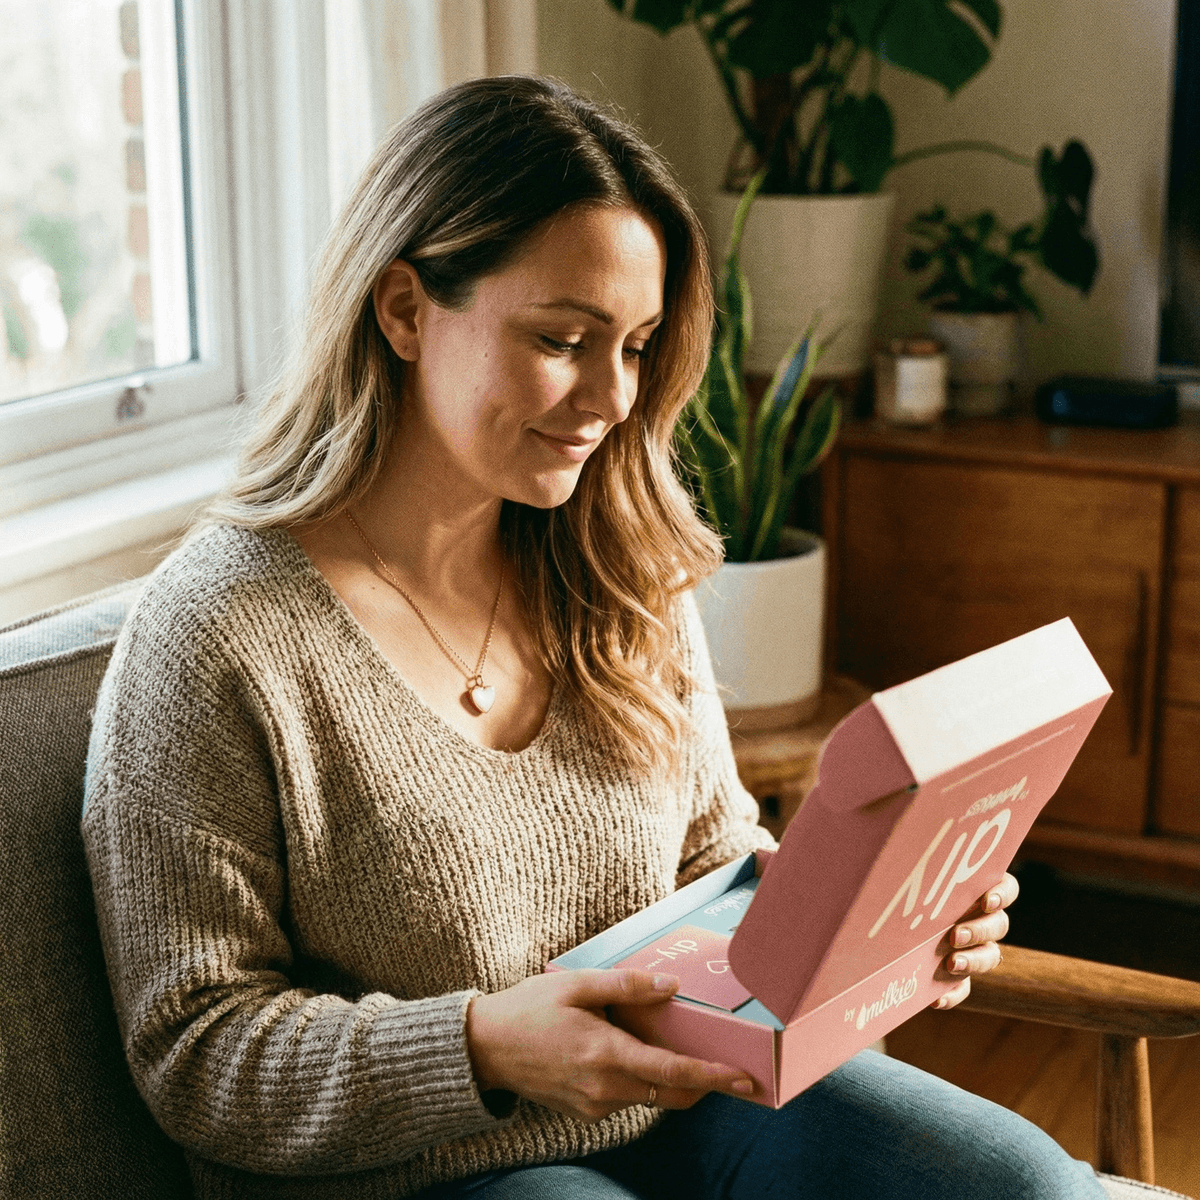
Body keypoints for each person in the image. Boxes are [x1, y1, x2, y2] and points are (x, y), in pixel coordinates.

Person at [82, 75, 1106, 1200]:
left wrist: (889, 917)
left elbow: (717, 873)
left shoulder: (616, 562)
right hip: (412, 1170)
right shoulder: (221, 635)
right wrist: (478, 1045)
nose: (612, 397)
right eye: (563, 339)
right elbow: (196, 1054)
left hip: (684, 1100)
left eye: (637, 345)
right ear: (404, 309)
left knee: (1023, 1184)